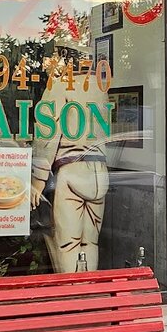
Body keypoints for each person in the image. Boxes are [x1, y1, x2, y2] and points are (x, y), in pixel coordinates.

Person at [30, 58, 110, 274]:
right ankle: (89, 288)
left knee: (68, 244)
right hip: (99, 173)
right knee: (90, 243)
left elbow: (47, 136)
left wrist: (38, 181)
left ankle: (72, 290)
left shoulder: (59, 86)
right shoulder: (100, 88)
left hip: (71, 170)